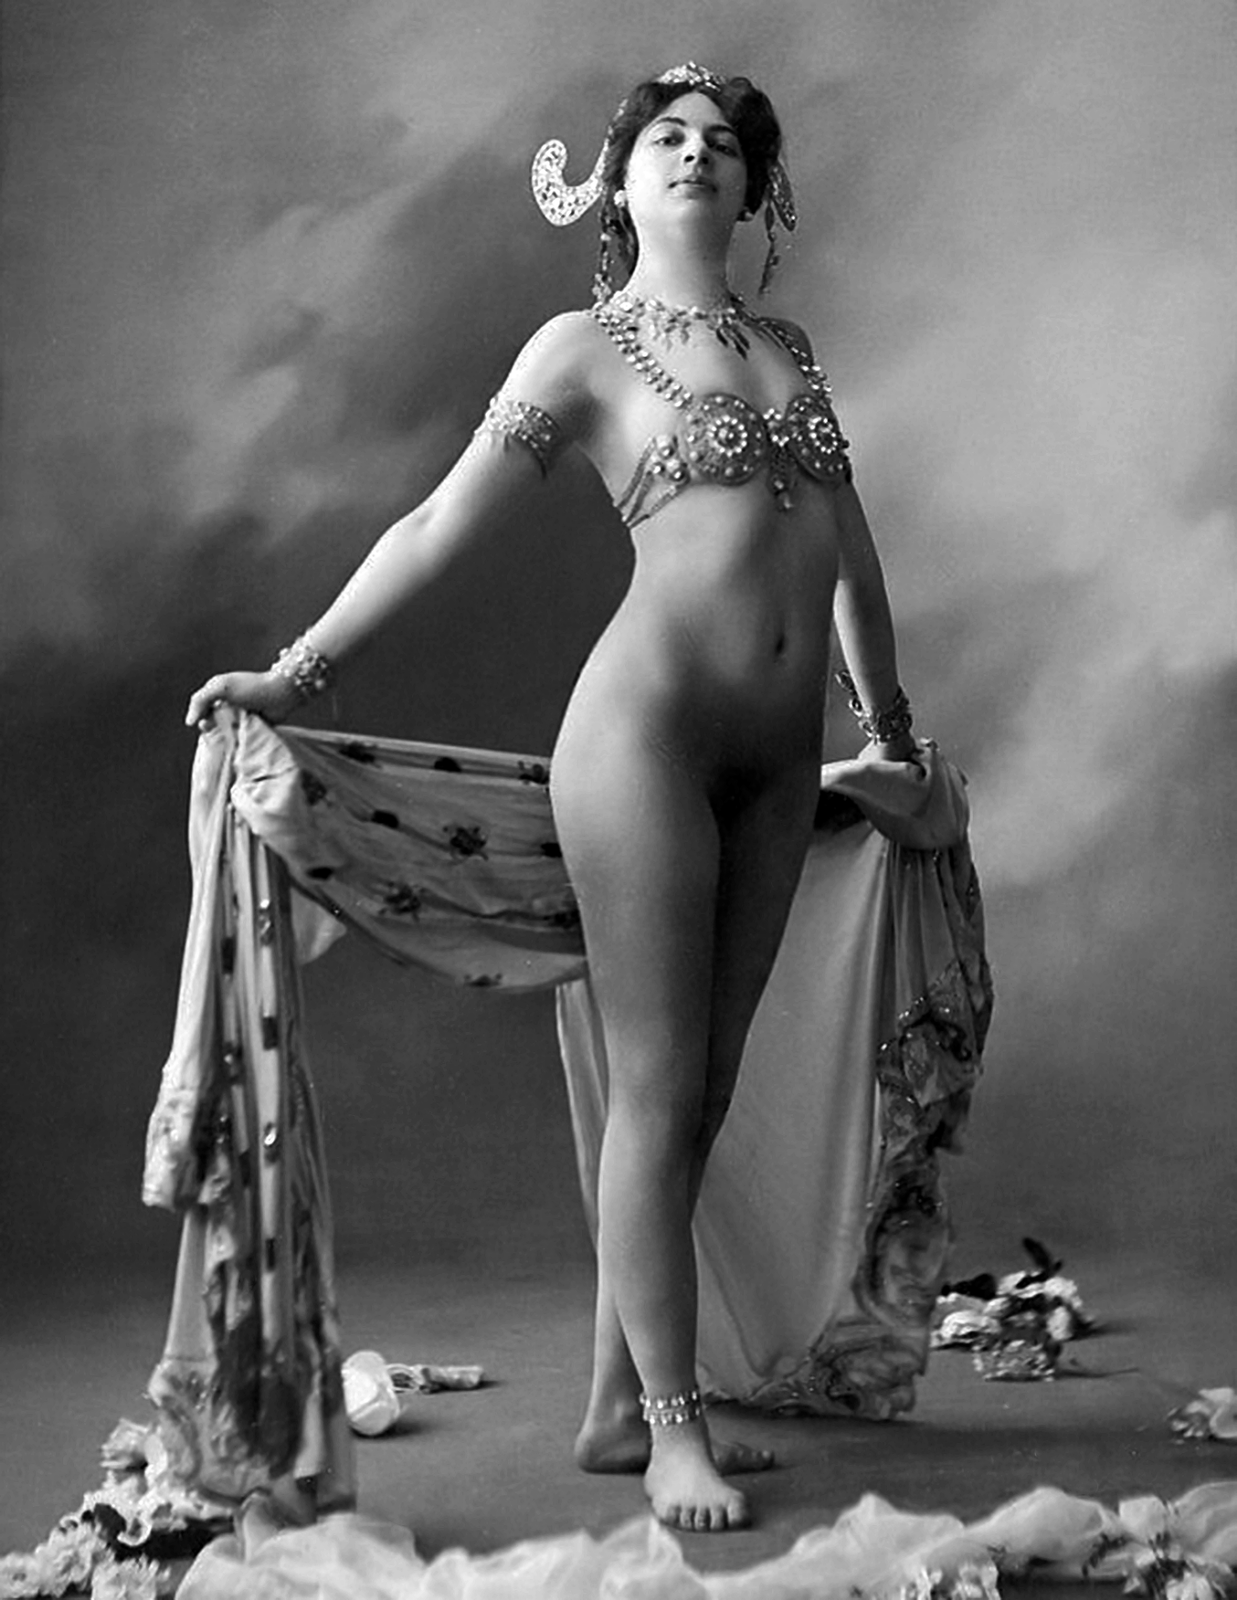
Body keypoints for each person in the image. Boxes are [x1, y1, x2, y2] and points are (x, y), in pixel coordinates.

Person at [185, 63, 918, 1535]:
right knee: (657, 1083)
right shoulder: (582, 349)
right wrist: (298, 670)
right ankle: (670, 1430)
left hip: (778, 759)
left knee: (707, 1087)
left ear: (758, 189)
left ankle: (608, 1403)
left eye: (725, 144)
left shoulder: (790, 351)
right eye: (668, 139)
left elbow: (851, 555)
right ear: (618, 181)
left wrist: (891, 730)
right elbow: (435, 521)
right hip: (645, 739)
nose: (698, 155)